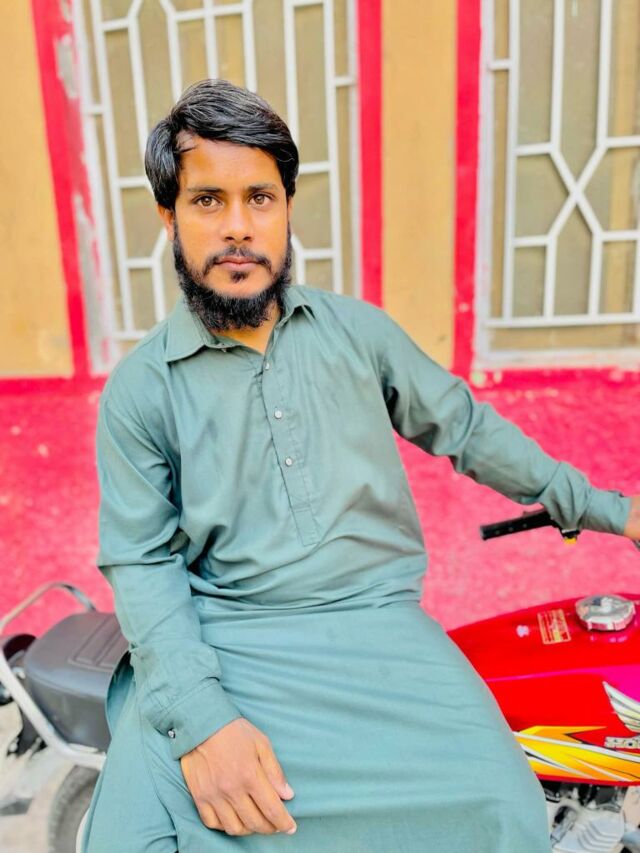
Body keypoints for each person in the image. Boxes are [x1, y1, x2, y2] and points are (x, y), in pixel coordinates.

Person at [81, 78, 639, 853]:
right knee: (132, 840)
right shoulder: (142, 389)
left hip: (377, 624)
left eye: (259, 198)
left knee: (503, 808)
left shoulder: (357, 333)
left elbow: (467, 428)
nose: (238, 226)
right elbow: (142, 562)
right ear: (169, 217)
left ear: (287, 208)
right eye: (208, 201)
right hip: (228, 638)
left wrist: (612, 510)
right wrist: (203, 721)